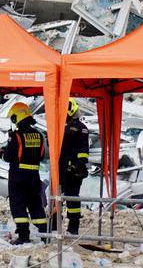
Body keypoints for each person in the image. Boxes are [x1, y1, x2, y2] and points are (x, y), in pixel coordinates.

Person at [0, 102, 48, 244]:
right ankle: (44, 234)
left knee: (18, 205)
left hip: (18, 177)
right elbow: (41, 155)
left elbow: (8, 157)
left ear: (17, 117)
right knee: (35, 205)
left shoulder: (16, 136)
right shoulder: (39, 135)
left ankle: (23, 236)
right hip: (34, 176)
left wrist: (1, 152)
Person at [57, 98, 90, 235]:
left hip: (72, 170)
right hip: (61, 168)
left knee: (72, 199)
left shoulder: (80, 129)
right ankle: (55, 226)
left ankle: (73, 227)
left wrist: (79, 166)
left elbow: (83, 151)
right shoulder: (60, 127)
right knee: (58, 198)